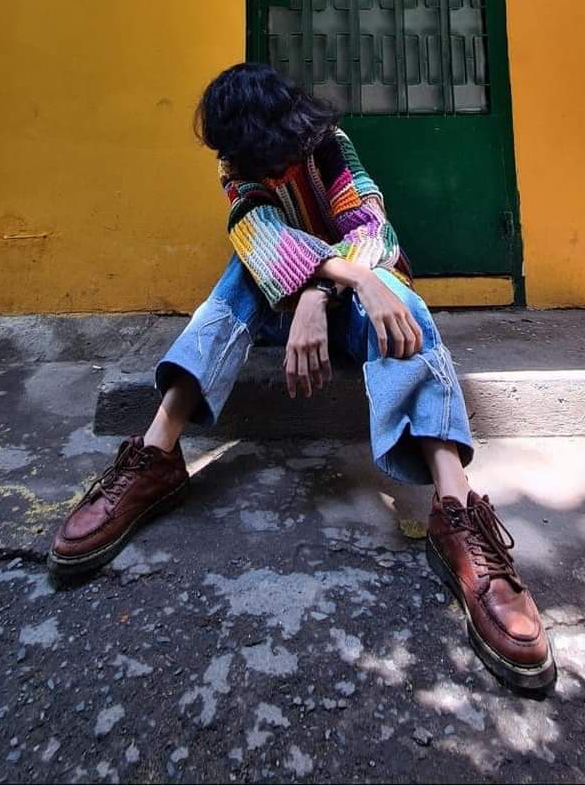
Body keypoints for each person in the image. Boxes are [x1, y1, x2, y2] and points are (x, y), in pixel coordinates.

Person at [48, 63, 555, 694]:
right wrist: (330, 285)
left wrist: (338, 289)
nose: (232, 161)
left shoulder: (331, 147)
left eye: (241, 145)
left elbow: (374, 231)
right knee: (238, 276)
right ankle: (156, 457)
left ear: (271, 129)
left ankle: (455, 511)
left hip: (356, 310)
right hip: (279, 306)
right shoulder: (238, 168)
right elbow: (259, 239)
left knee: (402, 300)